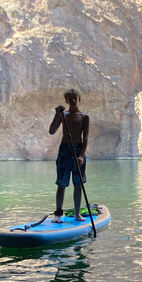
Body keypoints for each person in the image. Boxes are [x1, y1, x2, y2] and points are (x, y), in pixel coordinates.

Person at [48, 89, 90, 223]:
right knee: (61, 183)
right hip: (65, 150)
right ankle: (58, 214)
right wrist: (56, 114)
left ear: (79, 99)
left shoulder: (84, 117)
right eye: (69, 98)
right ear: (66, 100)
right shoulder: (63, 115)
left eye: (74, 98)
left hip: (78, 150)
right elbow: (51, 131)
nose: (72, 100)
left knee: (78, 184)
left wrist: (81, 156)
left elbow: (86, 138)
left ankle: (77, 214)